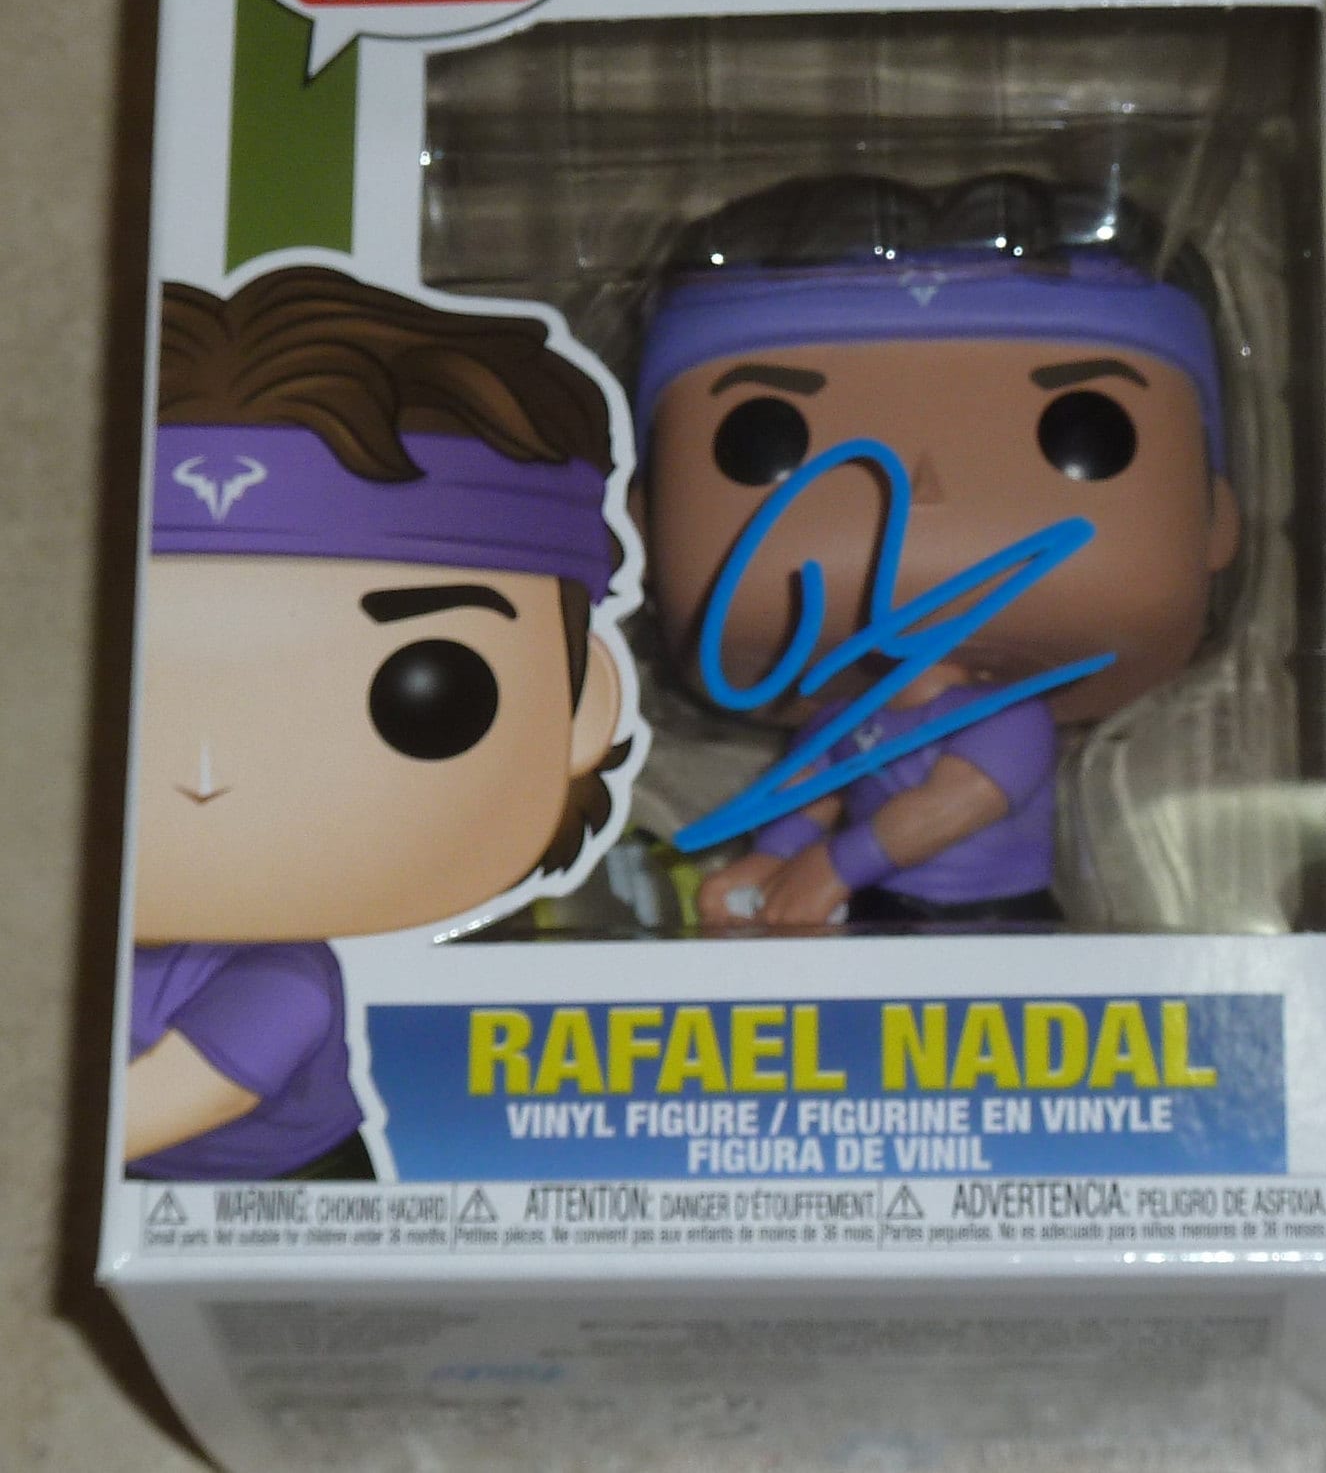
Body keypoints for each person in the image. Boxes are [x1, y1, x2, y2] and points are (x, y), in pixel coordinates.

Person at [126, 266, 636, 1178]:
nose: (202, 772)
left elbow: (152, 1107)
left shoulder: (282, 980)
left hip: (287, 1193)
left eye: (426, 693)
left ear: (582, 707)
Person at [636, 173, 1239, 929]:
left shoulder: (1009, 718)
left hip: (1000, 921)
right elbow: (807, 798)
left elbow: (956, 803)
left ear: (1216, 516)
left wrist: (831, 868)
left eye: (1087, 433)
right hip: (877, 916)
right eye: (762, 440)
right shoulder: (838, 722)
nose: (919, 489)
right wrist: (762, 866)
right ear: (641, 529)